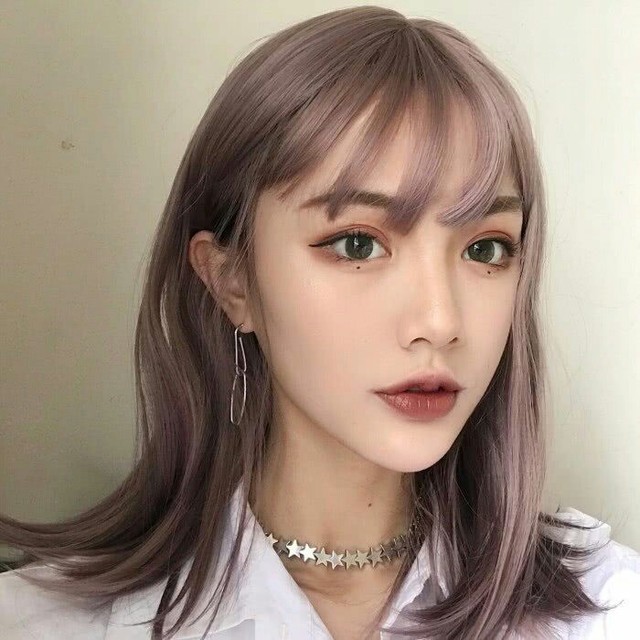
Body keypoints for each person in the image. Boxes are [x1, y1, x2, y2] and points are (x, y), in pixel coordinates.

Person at [1, 5, 639, 639]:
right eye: (358, 244)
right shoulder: (39, 624)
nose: (440, 321)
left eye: (486, 248)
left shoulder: (610, 611)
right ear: (232, 280)